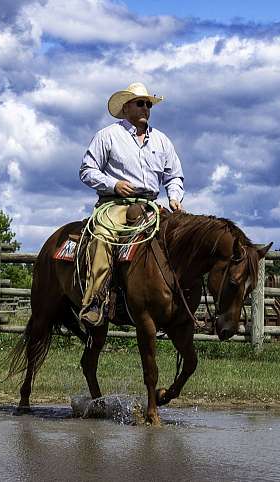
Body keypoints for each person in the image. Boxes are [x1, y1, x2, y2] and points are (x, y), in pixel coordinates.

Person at [78, 82, 185, 324]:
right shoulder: (107, 136)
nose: (146, 108)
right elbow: (87, 170)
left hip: (150, 205)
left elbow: (174, 175)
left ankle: (177, 298)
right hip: (115, 204)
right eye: (140, 103)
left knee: (179, 237)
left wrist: (175, 197)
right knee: (104, 235)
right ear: (126, 108)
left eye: (148, 104)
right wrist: (113, 184)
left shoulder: (161, 141)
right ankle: (95, 299)